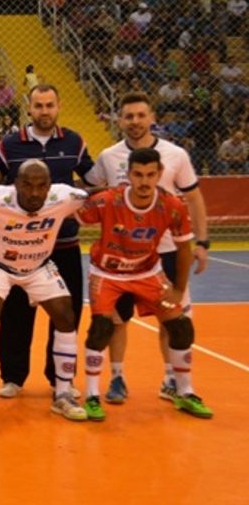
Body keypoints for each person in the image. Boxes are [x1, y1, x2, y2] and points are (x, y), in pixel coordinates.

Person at [83, 92, 209, 403]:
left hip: (165, 251)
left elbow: (193, 198)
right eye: (129, 116)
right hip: (121, 257)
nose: (135, 121)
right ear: (120, 120)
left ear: (151, 117)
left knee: (174, 318)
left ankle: (172, 380)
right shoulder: (109, 157)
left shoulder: (175, 155)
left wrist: (202, 241)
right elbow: (92, 189)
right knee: (115, 321)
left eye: (141, 115)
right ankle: (117, 378)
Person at [0, 160, 90, 422]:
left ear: (49, 185)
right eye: (27, 185)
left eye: (41, 186)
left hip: (38, 266)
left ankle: (64, 392)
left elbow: (97, 193)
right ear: (15, 184)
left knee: (66, 314)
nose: (34, 193)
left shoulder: (65, 196)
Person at [0, 84, 93, 397]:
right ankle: (13, 377)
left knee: (67, 312)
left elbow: (92, 180)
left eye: (50, 105)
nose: (44, 111)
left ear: (58, 106)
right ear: (29, 108)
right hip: (21, 248)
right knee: (15, 314)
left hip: (64, 244)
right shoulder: (9, 145)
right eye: (39, 105)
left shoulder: (74, 142)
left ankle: (60, 379)